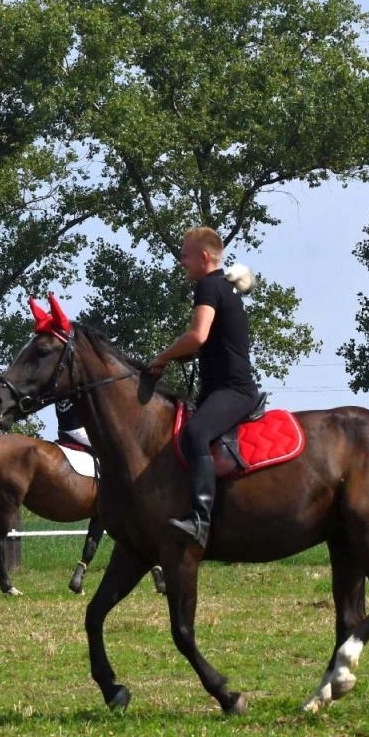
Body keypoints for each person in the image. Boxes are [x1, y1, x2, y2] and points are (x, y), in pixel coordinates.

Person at [147, 226, 259, 548]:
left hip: (234, 391)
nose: (181, 261)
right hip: (223, 390)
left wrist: (163, 357)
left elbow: (197, 335)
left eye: (184, 255)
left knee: (194, 434)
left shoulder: (209, 286)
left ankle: (200, 521)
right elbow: (209, 343)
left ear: (204, 257)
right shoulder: (223, 286)